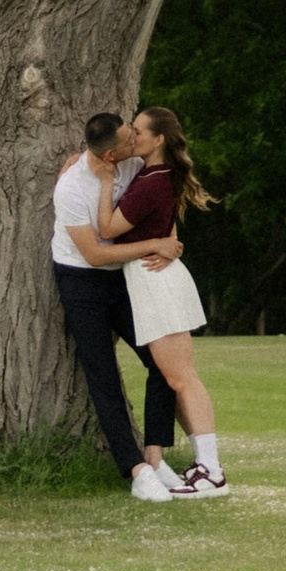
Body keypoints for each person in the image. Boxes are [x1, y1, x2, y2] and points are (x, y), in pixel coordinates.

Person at [51, 110, 189, 498]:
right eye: (129, 140)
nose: (135, 144)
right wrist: (153, 245)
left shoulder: (131, 167)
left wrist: (168, 241)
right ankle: (136, 470)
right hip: (81, 280)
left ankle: (156, 457)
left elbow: (160, 208)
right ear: (110, 155)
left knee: (161, 362)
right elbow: (95, 254)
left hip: (126, 278)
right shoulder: (72, 188)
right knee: (103, 375)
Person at [98, 104, 228, 497]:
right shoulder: (152, 174)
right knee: (176, 377)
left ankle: (212, 471)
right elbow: (166, 226)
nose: (131, 136)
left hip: (157, 284)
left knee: (181, 377)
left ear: (158, 140)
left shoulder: (154, 180)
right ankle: (204, 466)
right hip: (151, 281)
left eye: (138, 131)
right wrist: (166, 243)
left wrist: (105, 180)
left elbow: (106, 228)